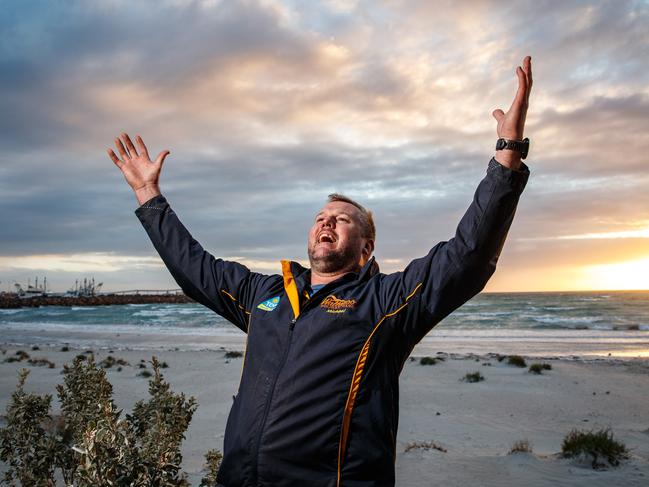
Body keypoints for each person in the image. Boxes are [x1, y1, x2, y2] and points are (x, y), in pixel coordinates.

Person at [108, 56, 533, 487]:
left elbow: (467, 257)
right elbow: (194, 269)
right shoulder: (264, 296)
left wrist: (508, 155)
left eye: (342, 219)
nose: (327, 222)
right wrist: (148, 194)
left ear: (367, 248)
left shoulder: (385, 304)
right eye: (321, 216)